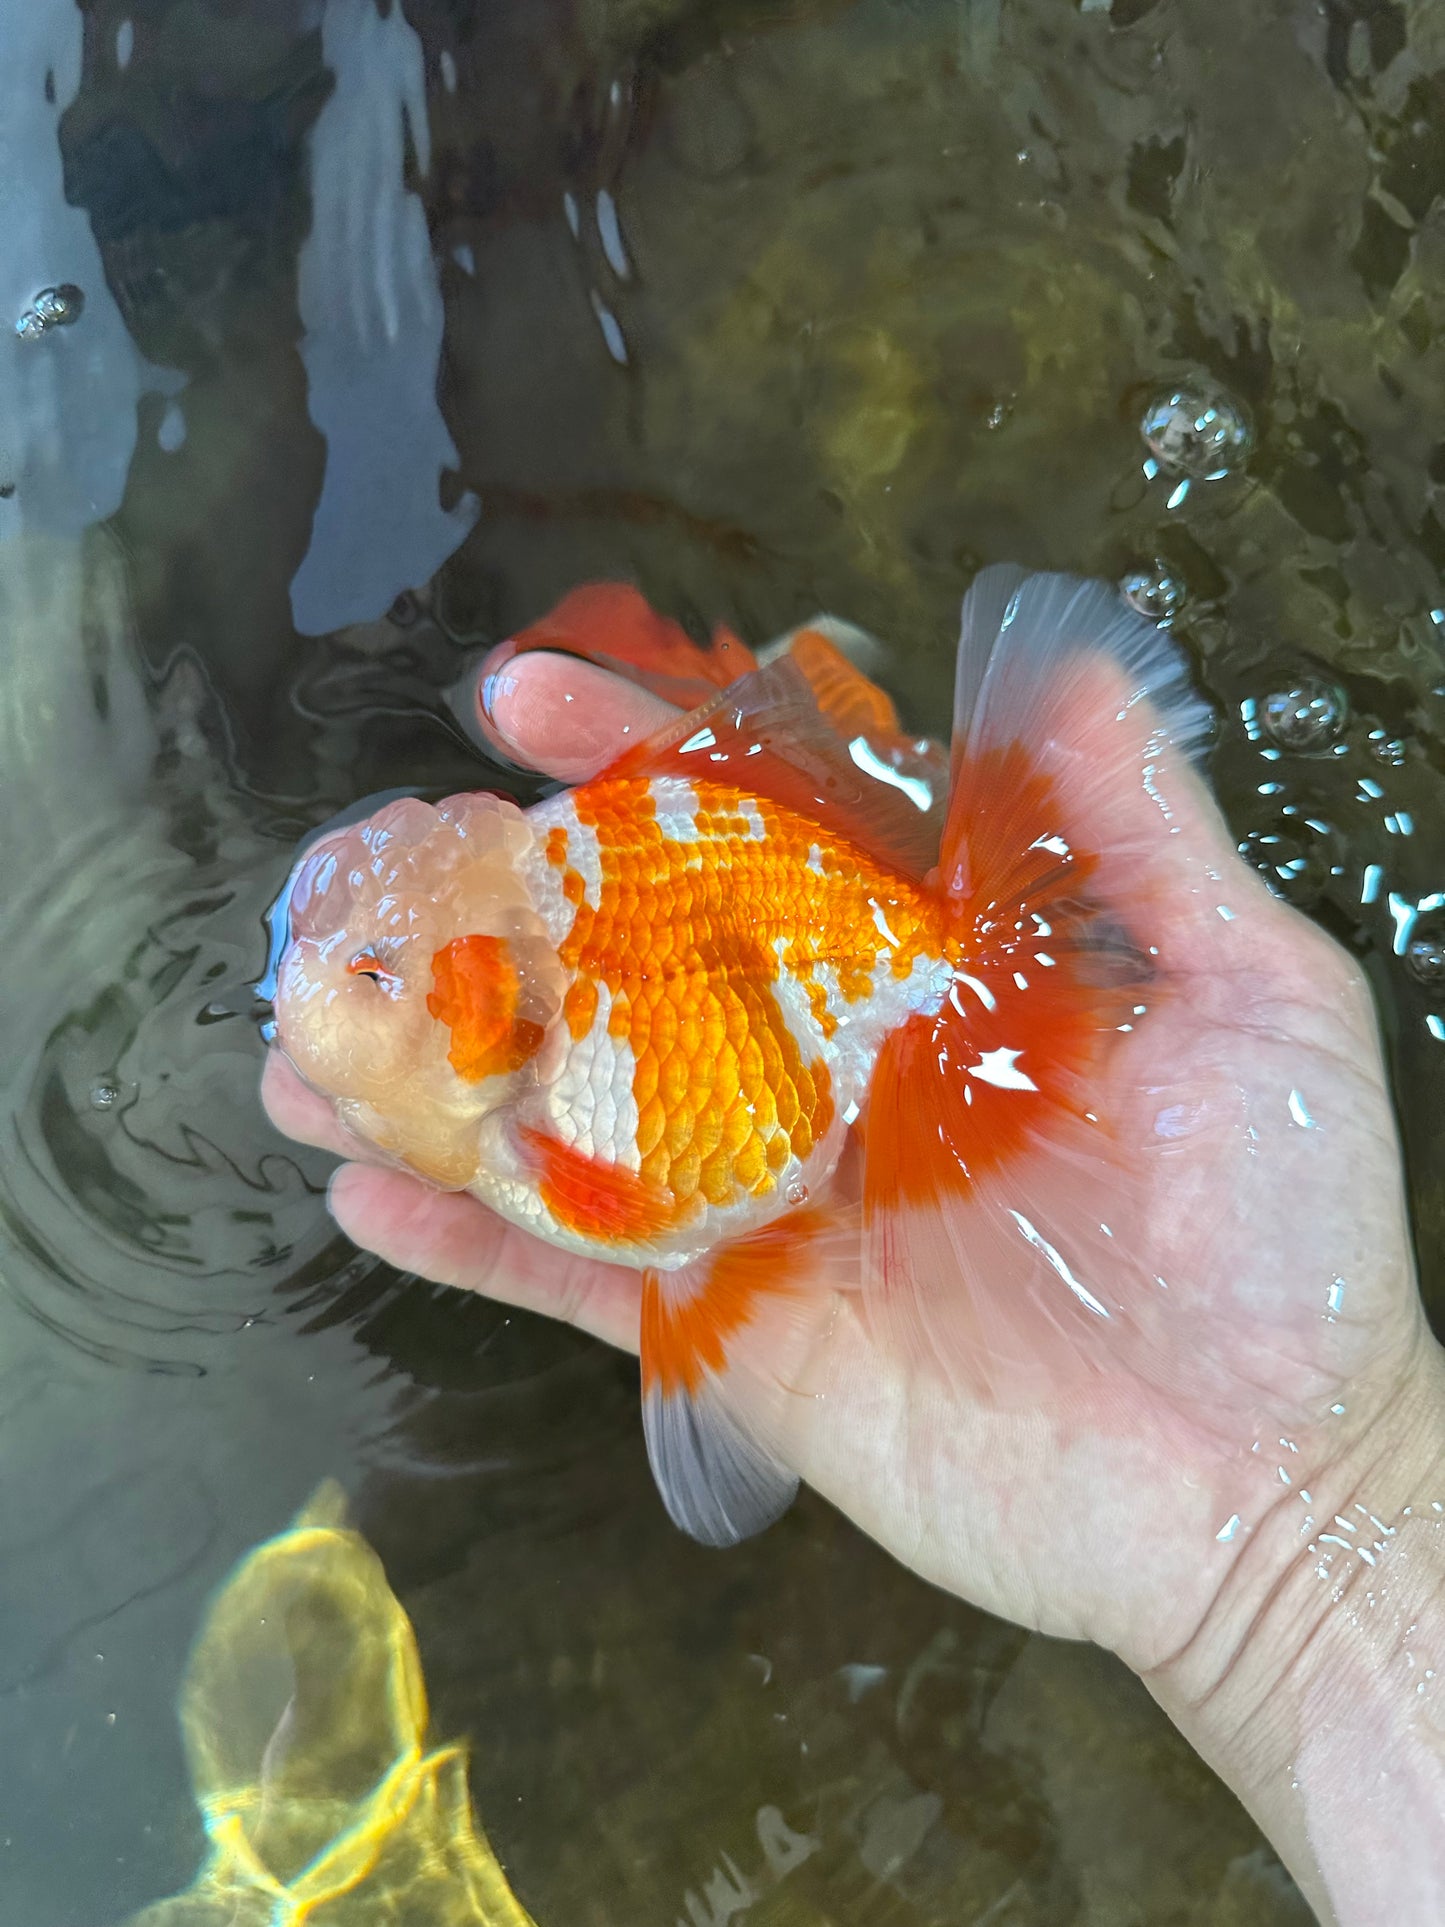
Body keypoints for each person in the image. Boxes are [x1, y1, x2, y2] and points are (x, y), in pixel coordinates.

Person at [263, 631, 1445, 1926]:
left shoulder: (546, 1130)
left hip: (833, 1006)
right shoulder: (517, 1054)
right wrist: (1305, 1546)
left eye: (379, 977)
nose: (324, 989)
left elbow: (632, 1205)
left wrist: (1312, 1514)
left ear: (493, 1006)